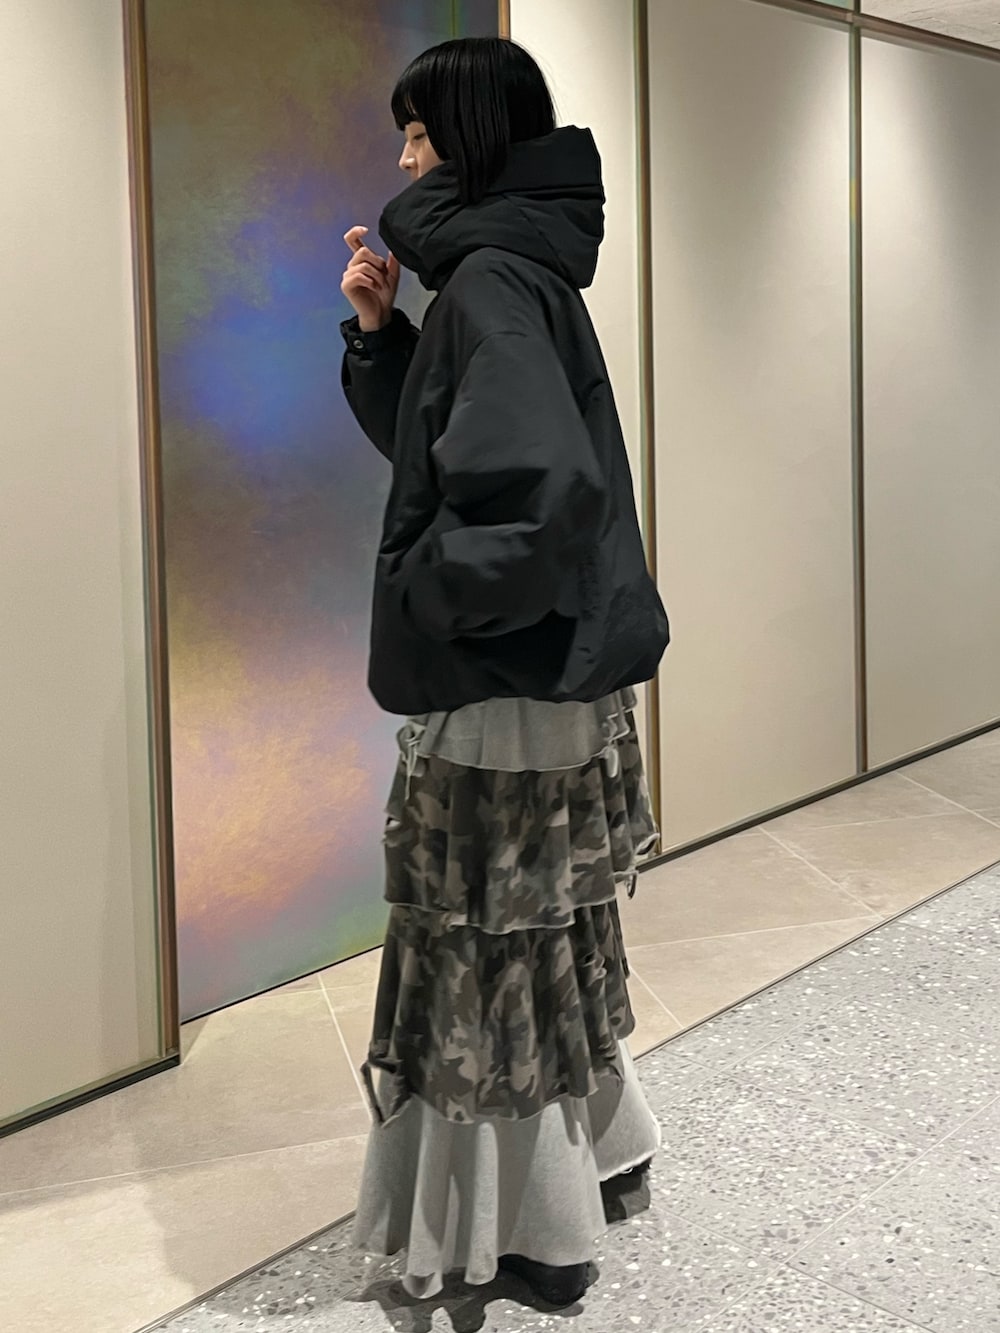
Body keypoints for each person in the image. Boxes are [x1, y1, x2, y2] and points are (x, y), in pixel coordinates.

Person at [339, 36, 670, 1310]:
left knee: (479, 958)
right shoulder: (514, 265)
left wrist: (420, 593)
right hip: (548, 679)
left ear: (471, 138)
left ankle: (526, 1232)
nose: (403, 158)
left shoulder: (486, 277)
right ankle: (603, 1158)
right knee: (544, 934)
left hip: (503, 692)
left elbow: (538, 492)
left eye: (420, 133)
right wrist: (384, 341)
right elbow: (458, 451)